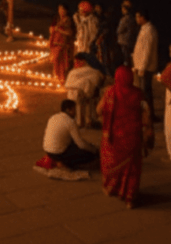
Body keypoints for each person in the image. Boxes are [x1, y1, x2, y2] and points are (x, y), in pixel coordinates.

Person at [97, 66, 154, 209]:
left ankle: (112, 189)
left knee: (110, 164)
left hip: (113, 138)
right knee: (132, 170)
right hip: (132, 138)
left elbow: (99, 110)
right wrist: (148, 130)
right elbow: (146, 115)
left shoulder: (110, 92)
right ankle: (130, 199)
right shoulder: (138, 94)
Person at [41, 99, 98, 170]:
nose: (76, 112)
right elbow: (81, 144)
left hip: (48, 151)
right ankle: (64, 163)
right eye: (74, 109)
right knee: (89, 155)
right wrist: (94, 150)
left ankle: (57, 160)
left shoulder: (53, 117)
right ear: (68, 110)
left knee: (73, 142)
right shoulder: (70, 121)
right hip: (58, 153)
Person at [66, 52, 105, 128]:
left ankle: (82, 122)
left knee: (81, 105)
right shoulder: (95, 71)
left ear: (83, 62)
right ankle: (86, 121)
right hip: (84, 92)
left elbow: (68, 84)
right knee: (84, 105)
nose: (75, 64)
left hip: (78, 92)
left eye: (77, 62)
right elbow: (98, 80)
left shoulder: (89, 71)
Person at [132, 9, 158, 121]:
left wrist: (142, 67)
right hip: (141, 66)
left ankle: (148, 115)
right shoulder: (144, 29)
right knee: (144, 91)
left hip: (146, 67)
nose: (136, 19)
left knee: (145, 92)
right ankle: (147, 114)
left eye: (138, 17)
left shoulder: (149, 30)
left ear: (143, 17)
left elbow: (147, 51)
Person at [48, 4, 75, 83]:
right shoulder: (56, 18)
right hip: (55, 42)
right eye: (59, 9)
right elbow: (51, 29)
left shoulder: (69, 20)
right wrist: (54, 29)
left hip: (64, 44)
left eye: (62, 9)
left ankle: (62, 77)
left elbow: (70, 33)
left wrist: (59, 30)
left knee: (63, 61)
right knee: (55, 60)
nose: (60, 11)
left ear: (66, 11)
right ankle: (56, 76)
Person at [116, 1, 138, 67]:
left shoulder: (125, 19)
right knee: (129, 59)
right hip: (131, 42)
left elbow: (118, 30)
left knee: (125, 60)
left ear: (125, 8)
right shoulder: (133, 18)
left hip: (124, 42)